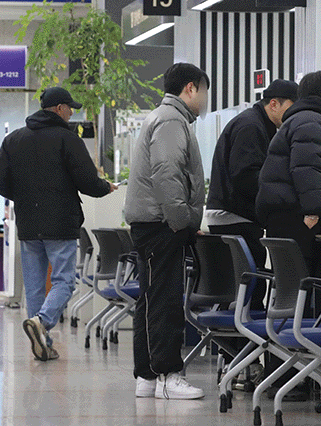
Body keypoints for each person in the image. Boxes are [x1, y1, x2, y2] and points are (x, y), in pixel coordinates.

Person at [0, 87, 115, 361]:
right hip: (60, 221)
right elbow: (87, 181)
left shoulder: (14, 139)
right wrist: (106, 188)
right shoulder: (66, 139)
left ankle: (43, 343)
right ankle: (42, 322)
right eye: (70, 108)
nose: (72, 112)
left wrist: (23, 197)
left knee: (34, 286)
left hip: (29, 223)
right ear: (59, 108)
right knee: (64, 282)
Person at [124, 62, 209, 400]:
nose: (204, 99)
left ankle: (147, 376)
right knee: (165, 300)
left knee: (150, 298)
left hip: (151, 222)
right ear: (191, 88)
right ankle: (169, 375)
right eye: (203, 91)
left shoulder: (162, 117)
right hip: (162, 224)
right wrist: (182, 220)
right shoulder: (173, 120)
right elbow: (166, 172)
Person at [206, 79, 298, 309]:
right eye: (291, 108)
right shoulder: (251, 127)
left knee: (238, 293)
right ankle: (247, 343)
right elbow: (246, 176)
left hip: (230, 215)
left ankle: (236, 344)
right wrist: (280, 196)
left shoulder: (255, 124)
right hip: (236, 218)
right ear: (274, 104)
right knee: (251, 292)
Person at [256, 71, 321, 275]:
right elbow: (307, 168)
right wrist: (313, 212)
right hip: (299, 221)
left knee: (291, 289)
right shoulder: (314, 122)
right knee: (308, 288)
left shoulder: (297, 120)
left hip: (285, 217)